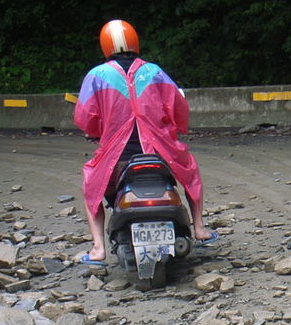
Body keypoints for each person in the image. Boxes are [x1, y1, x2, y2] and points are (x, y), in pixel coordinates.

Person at [72, 19, 215, 264]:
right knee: (190, 172)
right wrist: (177, 128)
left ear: (106, 46)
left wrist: (97, 130)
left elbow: (84, 117)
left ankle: (98, 248)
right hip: (161, 155)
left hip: (118, 160)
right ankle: (199, 228)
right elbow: (179, 107)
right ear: (135, 42)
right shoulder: (154, 72)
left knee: (92, 187)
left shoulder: (96, 76)